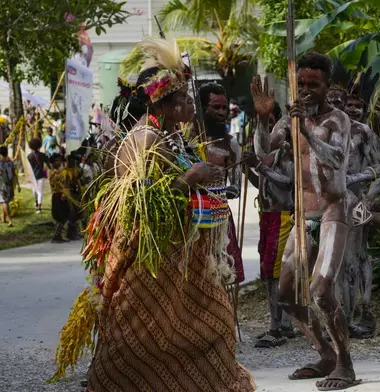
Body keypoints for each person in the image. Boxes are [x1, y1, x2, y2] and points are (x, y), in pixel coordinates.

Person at [56, 37, 255, 391]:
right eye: (184, 100)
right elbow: (135, 199)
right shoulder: (145, 137)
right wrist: (189, 178)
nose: (191, 105)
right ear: (165, 104)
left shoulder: (171, 134)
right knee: (141, 332)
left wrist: (204, 175)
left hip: (180, 255)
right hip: (152, 255)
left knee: (214, 323)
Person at [252, 52, 359, 391]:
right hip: (304, 216)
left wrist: (307, 133)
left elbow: (337, 157)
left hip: (332, 212)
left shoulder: (338, 120)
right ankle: (324, 352)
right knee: (285, 295)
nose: (308, 90)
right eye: (302, 84)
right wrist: (263, 118)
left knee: (320, 290)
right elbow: (262, 151)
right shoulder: (288, 120)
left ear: (328, 86)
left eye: (315, 84)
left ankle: (345, 364)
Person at [326, 62, 380, 340]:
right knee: (332, 262)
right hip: (331, 205)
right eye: (348, 103)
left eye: (358, 105)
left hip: (355, 202)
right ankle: (339, 316)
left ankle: (362, 311)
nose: (352, 109)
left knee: (355, 258)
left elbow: (379, 170)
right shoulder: (331, 129)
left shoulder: (363, 132)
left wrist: (367, 199)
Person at [242, 103, 296, 348]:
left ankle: (278, 327)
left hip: (282, 216)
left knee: (275, 273)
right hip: (267, 215)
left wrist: (259, 165)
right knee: (269, 272)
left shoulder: (285, 151)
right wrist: (250, 170)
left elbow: (287, 183)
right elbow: (263, 184)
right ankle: (282, 324)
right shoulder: (268, 153)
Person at [198, 82, 246, 284]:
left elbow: (235, 189)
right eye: (215, 107)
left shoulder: (231, 144)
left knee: (220, 276)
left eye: (224, 107)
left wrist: (216, 185)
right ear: (202, 109)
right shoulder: (185, 138)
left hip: (218, 220)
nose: (221, 112)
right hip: (189, 216)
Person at [48, 153, 72, 243]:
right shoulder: (54, 172)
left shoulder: (59, 171)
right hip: (58, 195)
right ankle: (57, 236)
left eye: (60, 160)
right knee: (61, 216)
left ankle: (58, 235)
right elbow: (61, 183)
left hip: (61, 194)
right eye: (57, 161)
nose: (59, 162)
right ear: (53, 162)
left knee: (64, 215)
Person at [27, 138, 49, 213]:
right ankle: (39, 207)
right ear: (39, 146)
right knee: (40, 192)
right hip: (40, 175)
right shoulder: (42, 155)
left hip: (33, 176)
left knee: (34, 192)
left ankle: (37, 204)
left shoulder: (29, 156)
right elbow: (48, 162)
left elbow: (28, 167)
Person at [0, 146, 19, 226]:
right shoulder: (11, 162)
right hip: (10, 184)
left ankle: (10, 220)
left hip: (2, 184)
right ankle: (3, 218)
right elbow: (14, 174)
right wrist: (18, 184)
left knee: (4, 201)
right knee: (6, 201)